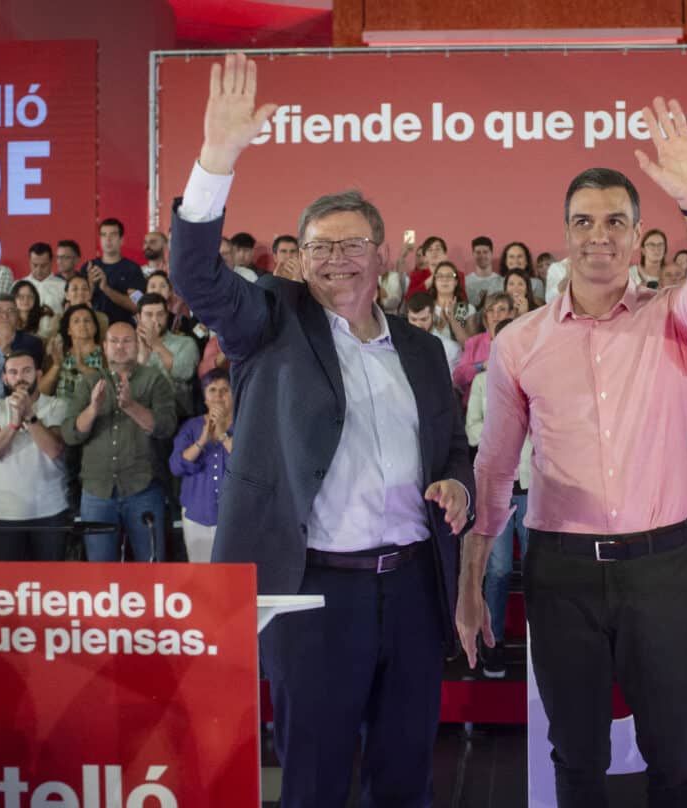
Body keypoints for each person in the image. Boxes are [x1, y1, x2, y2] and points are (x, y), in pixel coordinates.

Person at [170, 53, 474, 808]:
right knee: (311, 781)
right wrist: (218, 158)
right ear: (296, 260)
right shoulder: (270, 322)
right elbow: (197, 276)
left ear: (381, 256)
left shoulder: (423, 350)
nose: (334, 260)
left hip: (410, 588)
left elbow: (454, 449)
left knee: (405, 776)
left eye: (349, 245)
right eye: (316, 248)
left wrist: (457, 485)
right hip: (310, 593)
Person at [461, 95, 687, 808]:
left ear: (638, 234)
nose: (599, 236)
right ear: (564, 234)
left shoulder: (674, 318)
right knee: (578, 759)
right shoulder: (519, 343)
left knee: (677, 758)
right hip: (561, 571)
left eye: (615, 221)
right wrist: (472, 580)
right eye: (584, 223)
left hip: (659, 570)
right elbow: (496, 470)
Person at [64, 321, 177, 562]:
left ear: (137, 345)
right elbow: (70, 433)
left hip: (143, 488)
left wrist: (131, 407)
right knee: (100, 572)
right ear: (104, 347)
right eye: (114, 341)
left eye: (127, 341)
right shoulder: (88, 383)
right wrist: (93, 408)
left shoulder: (155, 380)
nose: (120, 346)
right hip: (97, 491)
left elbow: (166, 427)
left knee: (152, 568)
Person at [463, 318, 529, 678]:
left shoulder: (538, 376)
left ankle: (543, 640)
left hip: (534, 485)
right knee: (499, 568)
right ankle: (494, 641)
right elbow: (472, 426)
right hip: (496, 487)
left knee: (538, 568)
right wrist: (497, 433)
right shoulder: (483, 382)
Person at [0, 350, 69, 561]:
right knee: (9, 587)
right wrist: (14, 424)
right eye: (13, 372)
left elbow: (54, 449)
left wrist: (29, 415)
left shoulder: (57, 405)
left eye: (27, 371)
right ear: (5, 378)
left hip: (51, 512)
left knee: (51, 587)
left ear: (38, 374)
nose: (20, 377)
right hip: (7, 513)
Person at [170, 368, 233, 563]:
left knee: (234, 577)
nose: (218, 396)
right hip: (198, 513)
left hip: (234, 517)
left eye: (224, 390)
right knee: (201, 578)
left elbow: (249, 466)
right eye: (212, 390)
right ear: (205, 398)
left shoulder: (245, 424)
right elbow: (176, 466)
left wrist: (222, 433)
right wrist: (202, 440)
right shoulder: (191, 427)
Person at [135, 292, 199, 414]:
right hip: (139, 410)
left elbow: (183, 373)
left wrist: (156, 345)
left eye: (160, 314)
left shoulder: (185, 343)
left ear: (167, 315)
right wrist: (142, 357)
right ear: (139, 317)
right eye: (149, 315)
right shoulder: (130, 345)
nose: (155, 320)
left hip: (176, 411)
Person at [83, 218, 146, 326]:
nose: (108, 239)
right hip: (93, 328)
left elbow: (137, 307)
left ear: (122, 240)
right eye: (104, 235)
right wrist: (90, 285)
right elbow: (79, 304)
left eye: (113, 235)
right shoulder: (89, 267)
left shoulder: (132, 269)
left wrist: (106, 289)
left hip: (123, 329)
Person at [451, 292, 513, 399]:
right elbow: (458, 377)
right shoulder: (474, 342)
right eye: (490, 310)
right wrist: (481, 366)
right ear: (486, 315)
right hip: (475, 405)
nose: (495, 315)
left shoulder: (518, 340)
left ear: (511, 313)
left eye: (501, 309)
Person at [39, 303, 104, 400]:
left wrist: (82, 367)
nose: (82, 324)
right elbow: (42, 392)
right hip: (62, 411)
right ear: (69, 330)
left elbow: (111, 387)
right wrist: (56, 366)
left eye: (87, 320)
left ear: (95, 328)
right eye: (76, 321)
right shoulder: (59, 353)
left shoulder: (106, 353)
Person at [406, 292, 461, 374]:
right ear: (407, 316)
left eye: (424, 319)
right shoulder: (400, 345)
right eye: (413, 320)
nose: (418, 325)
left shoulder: (450, 348)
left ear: (433, 314)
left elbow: (450, 383)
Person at [429, 261, 475, 345]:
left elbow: (471, 345)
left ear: (456, 282)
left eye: (450, 276)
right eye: (440, 276)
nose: (445, 279)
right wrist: (441, 326)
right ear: (434, 282)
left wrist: (453, 322)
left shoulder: (468, 309)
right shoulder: (427, 308)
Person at [26, 242, 68, 319]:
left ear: (51, 262)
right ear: (29, 262)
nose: (39, 270)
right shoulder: (19, 285)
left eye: (43, 265)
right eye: (35, 265)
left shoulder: (63, 286)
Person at [465, 235, 504, 308]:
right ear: (473, 254)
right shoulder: (465, 282)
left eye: (485, 252)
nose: (482, 256)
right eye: (478, 252)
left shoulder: (502, 281)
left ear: (491, 253)